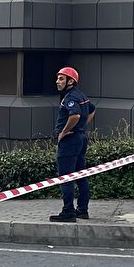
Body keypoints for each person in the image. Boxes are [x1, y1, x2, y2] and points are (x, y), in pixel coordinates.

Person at [49, 67, 95, 223]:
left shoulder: (69, 98)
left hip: (70, 141)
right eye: (57, 78)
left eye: (61, 78)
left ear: (71, 81)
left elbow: (74, 115)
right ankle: (82, 210)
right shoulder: (81, 95)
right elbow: (92, 110)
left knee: (66, 178)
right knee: (81, 176)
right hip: (81, 138)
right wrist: (82, 126)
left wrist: (64, 132)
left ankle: (68, 211)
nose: (57, 81)